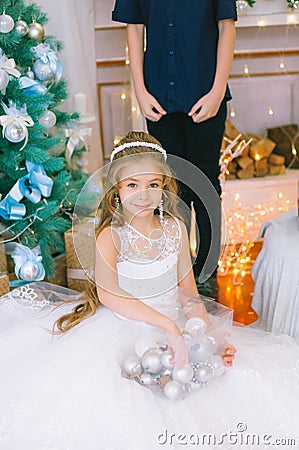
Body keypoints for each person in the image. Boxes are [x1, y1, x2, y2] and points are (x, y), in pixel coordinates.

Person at [0, 132, 299, 450]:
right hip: (123, 329)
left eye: (153, 184)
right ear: (116, 190)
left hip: (176, 327)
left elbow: (188, 292)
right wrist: (167, 325)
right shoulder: (110, 237)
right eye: (132, 185)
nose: (143, 194)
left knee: (227, 383)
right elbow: (110, 294)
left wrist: (210, 338)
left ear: (164, 186)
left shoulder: (175, 229)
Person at [112, 0, 237, 299]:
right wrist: (140, 92)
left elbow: (227, 27)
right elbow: (134, 28)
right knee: (170, 187)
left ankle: (207, 272)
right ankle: (176, 269)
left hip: (205, 95)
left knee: (206, 184)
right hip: (158, 98)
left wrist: (218, 91)